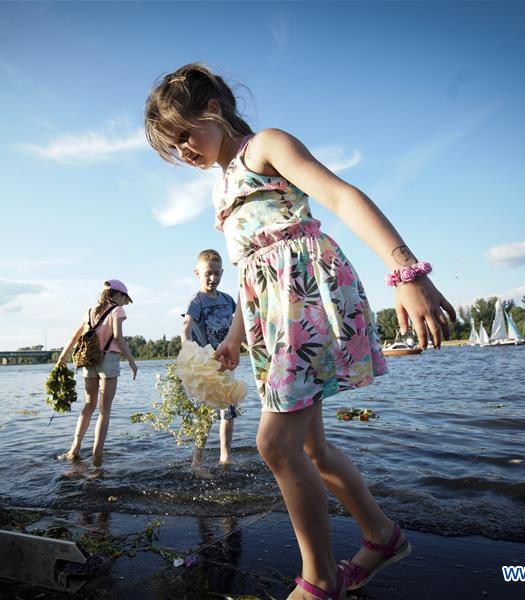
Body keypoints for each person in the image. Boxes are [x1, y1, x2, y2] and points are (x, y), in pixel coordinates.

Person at [145, 64, 455, 600]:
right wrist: (236, 338)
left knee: (273, 441)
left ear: (213, 111)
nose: (183, 151)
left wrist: (405, 271)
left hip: (305, 299)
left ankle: (319, 578)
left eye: (184, 135)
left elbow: (339, 196)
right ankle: (381, 536)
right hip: (271, 316)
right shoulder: (220, 188)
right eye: (173, 148)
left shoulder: (265, 146)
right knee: (310, 445)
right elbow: (249, 274)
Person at [56, 280, 138, 466]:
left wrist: (62, 358)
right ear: (117, 295)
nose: (125, 302)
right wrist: (132, 362)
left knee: (88, 406)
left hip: (89, 361)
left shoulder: (90, 311)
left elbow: (75, 336)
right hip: (108, 360)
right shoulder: (117, 310)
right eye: (125, 298)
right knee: (104, 411)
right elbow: (117, 337)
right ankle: (97, 456)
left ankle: (74, 449)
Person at [181, 248, 238, 468]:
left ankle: (225, 456)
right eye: (208, 274)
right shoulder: (197, 301)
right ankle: (198, 461)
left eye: (217, 273)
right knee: (205, 414)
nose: (213, 278)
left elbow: (236, 328)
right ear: (198, 273)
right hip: (206, 365)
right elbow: (186, 326)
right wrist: (187, 351)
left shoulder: (227, 300)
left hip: (226, 364)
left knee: (228, 411)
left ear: (222, 273)